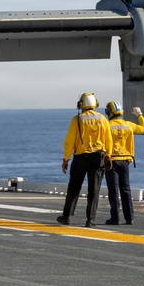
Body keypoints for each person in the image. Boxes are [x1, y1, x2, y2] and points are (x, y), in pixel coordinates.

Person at [57, 92, 112, 228]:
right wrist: (108, 156)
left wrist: (66, 158)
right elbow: (108, 139)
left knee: (74, 187)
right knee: (94, 190)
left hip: (81, 157)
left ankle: (67, 216)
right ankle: (90, 220)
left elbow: (69, 141)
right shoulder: (103, 119)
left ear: (81, 104)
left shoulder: (77, 119)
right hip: (98, 157)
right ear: (95, 104)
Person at [104, 101, 144, 225]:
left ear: (110, 113)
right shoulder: (128, 125)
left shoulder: (106, 126)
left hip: (111, 161)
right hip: (125, 161)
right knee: (126, 189)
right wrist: (139, 115)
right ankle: (129, 218)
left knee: (113, 190)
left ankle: (115, 218)